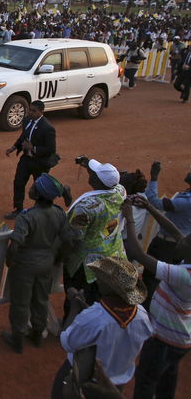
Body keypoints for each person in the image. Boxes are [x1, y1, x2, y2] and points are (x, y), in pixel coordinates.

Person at [51, 257, 153, 398]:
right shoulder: (142, 316)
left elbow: (66, 342)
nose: (98, 279)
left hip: (85, 381)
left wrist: (74, 307)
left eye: (102, 278)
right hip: (115, 386)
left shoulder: (93, 317)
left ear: (111, 288)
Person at [121, 196, 191, 399]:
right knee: (168, 378)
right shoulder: (186, 259)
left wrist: (129, 218)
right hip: (180, 338)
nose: (181, 237)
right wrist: (150, 207)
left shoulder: (182, 275)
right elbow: (176, 232)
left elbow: (136, 251)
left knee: (146, 380)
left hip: (165, 338)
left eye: (186, 241)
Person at [2, 174, 74, 353]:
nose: (31, 188)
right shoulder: (58, 213)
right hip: (46, 262)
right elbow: (67, 240)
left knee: (21, 302)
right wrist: (58, 258)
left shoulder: (27, 217)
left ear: (39, 194)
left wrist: (10, 262)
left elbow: (15, 245)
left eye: (35, 187)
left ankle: (17, 337)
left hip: (25, 264)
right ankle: (37, 334)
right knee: (41, 299)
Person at [62, 157, 127, 313]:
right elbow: (109, 181)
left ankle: (73, 326)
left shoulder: (85, 207)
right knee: (102, 299)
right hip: (112, 255)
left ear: (97, 180)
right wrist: (88, 165)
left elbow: (74, 238)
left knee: (78, 298)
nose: (90, 175)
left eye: (93, 174)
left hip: (86, 265)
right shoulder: (120, 192)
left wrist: (63, 255)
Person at [142, 161, 191, 301]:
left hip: (166, 246)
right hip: (178, 245)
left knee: (152, 279)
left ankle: (148, 307)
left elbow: (154, 202)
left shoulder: (185, 202)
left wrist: (154, 177)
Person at [4, 100, 58, 220]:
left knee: (39, 187)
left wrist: (33, 148)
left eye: (34, 111)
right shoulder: (28, 120)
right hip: (26, 159)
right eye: (30, 110)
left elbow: (51, 149)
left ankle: (39, 211)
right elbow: (23, 136)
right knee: (18, 182)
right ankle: (18, 209)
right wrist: (13, 147)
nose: (30, 112)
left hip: (40, 163)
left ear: (41, 111)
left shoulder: (48, 128)